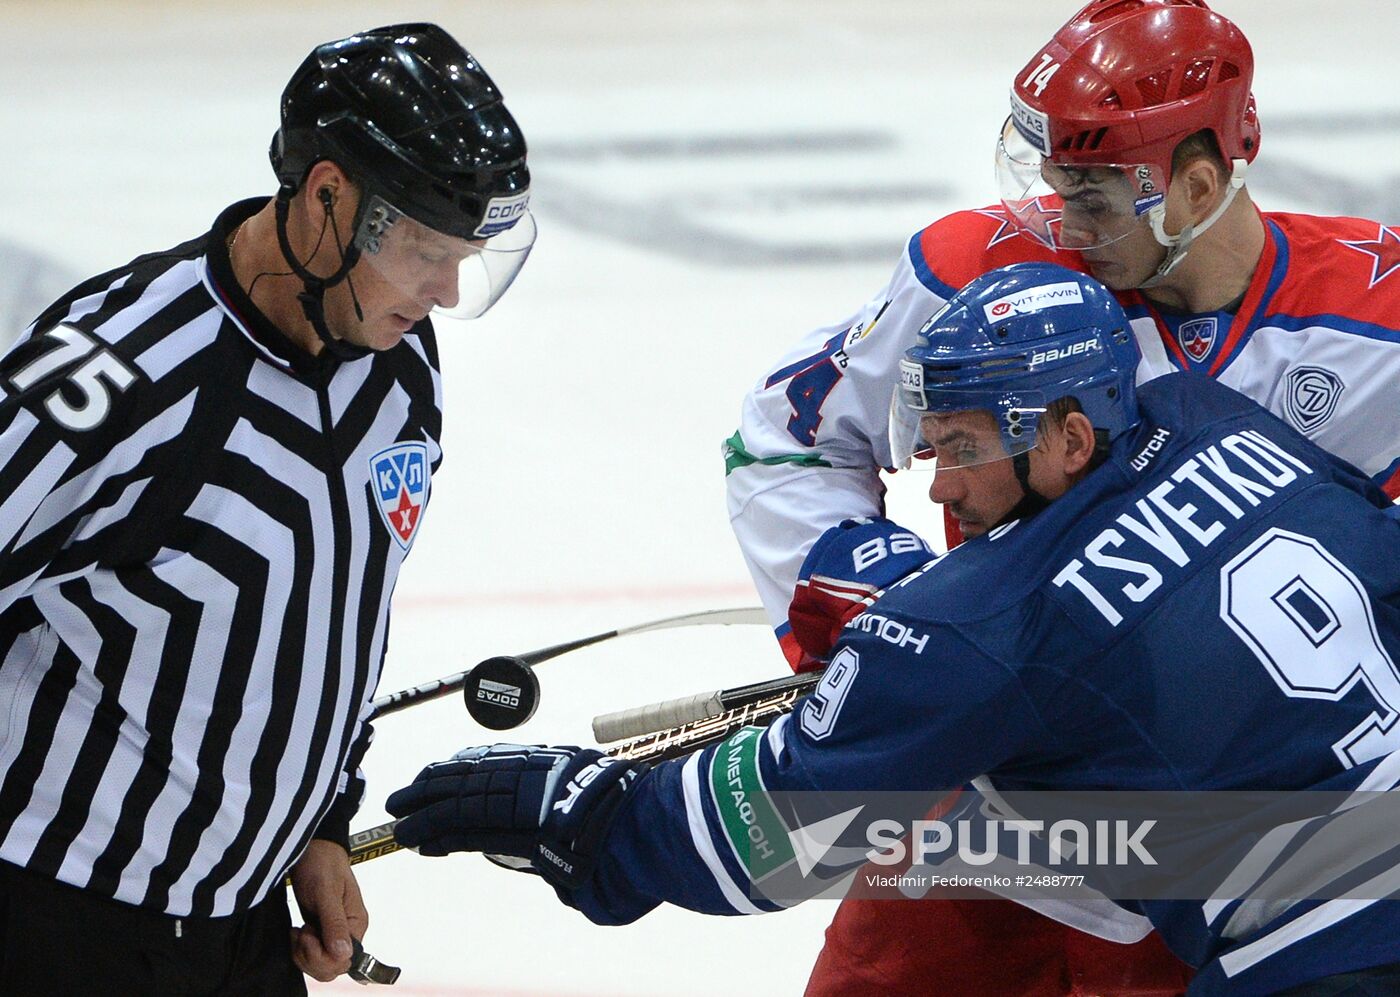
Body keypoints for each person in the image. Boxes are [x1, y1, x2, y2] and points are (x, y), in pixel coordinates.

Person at [387, 263, 1400, 996]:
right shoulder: (1220, 422)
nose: (938, 486)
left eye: (961, 447)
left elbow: (767, 834)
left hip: (1321, 956)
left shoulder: (978, 621)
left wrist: (580, 812)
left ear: (1068, 435)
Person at [723, 0, 1400, 991]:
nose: (1059, 217)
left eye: (1092, 192)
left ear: (1199, 181)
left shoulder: (1376, 318)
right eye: (1053, 182)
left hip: (1213, 870)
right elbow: (787, 435)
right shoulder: (983, 273)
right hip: (968, 841)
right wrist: (877, 602)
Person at [0, 23, 532, 993]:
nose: (447, 293)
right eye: (421, 248)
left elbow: (336, 609)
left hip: (240, 925)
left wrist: (317, 822)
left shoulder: (397, 365)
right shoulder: (117, 379)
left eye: (465, 257)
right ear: (327, 195)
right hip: (55, 921)